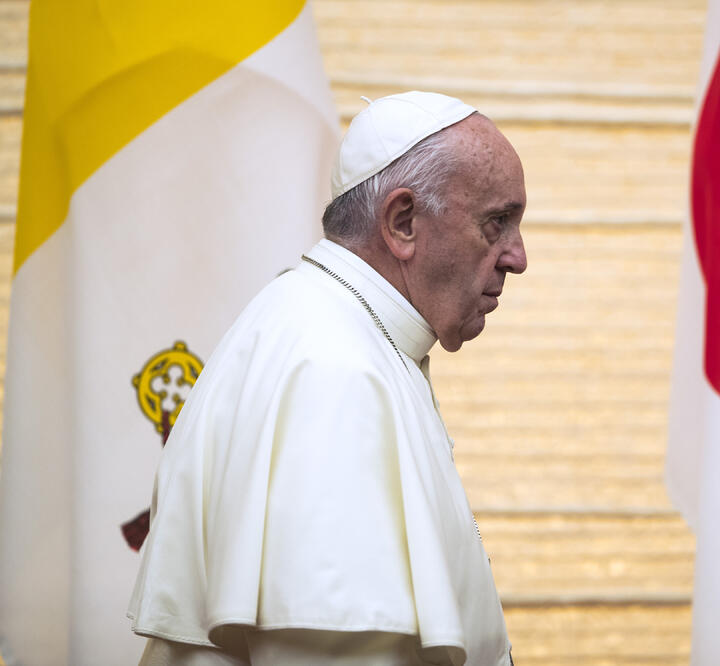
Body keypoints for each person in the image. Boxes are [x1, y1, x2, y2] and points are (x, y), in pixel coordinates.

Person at [128, 91, 527, 666]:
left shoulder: (335, 330)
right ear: (403, 222)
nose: (517, 257)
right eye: (497, 223)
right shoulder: (331, 370)